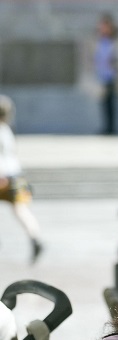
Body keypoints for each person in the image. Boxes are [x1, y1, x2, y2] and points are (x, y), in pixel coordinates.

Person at [0, 95, 43, 263]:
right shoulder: (8, 130)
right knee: (20, 209)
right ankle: (35, 237)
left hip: (3, 175)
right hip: (15, 175)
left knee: (19, 209)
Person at [94, 13, 118, 135]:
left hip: (112, 75)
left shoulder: (115, 41)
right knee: (104, 103)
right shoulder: (99, 40)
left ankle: (112, 127)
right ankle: (106, 126)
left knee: (112, 102)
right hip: (102, 75)